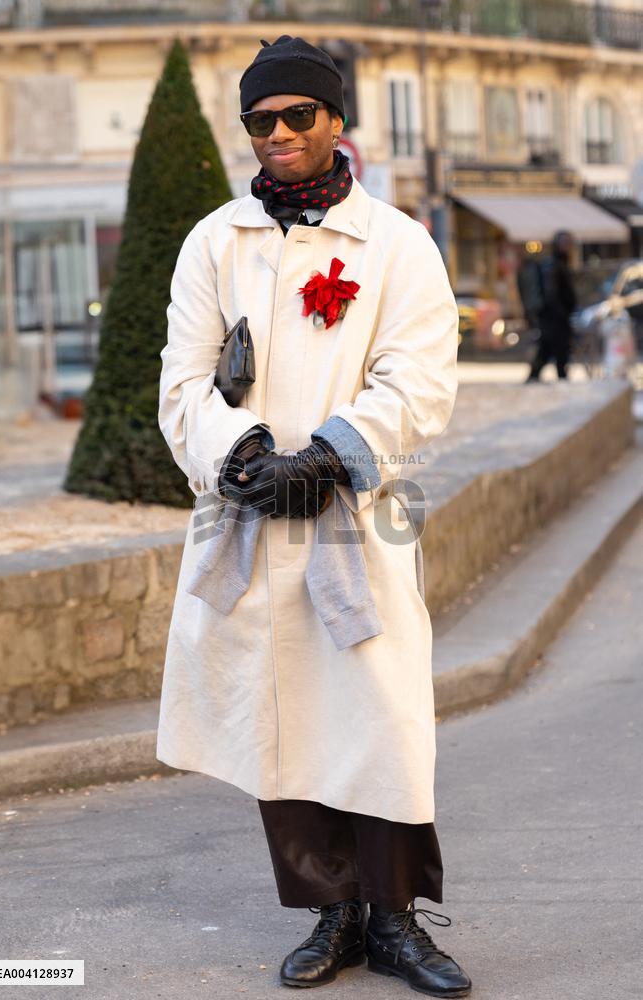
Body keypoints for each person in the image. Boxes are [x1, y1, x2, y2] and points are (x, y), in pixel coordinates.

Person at [156, 34, 471, 997]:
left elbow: (418, 380)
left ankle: (397, 920)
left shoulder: (399, 244)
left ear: (336, 120)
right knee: (278, 716)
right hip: (248, 518)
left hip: (356, 520)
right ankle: (331, 914)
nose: (280, 133)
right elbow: (179, 383)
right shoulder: (215, 241)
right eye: (261, 120)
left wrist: (330, 455)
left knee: (381, 717)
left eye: (299, 115)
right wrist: (242, 455)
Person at [523, 230, 578, 382]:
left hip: (556, 319)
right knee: (554, 352)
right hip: (554, 319)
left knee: (549, 351)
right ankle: (556, 379)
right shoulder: (553, 265)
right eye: (565, 243)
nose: (568, 246)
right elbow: (551, 293)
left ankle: (538, 378)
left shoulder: (561, 263)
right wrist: (560, 313)